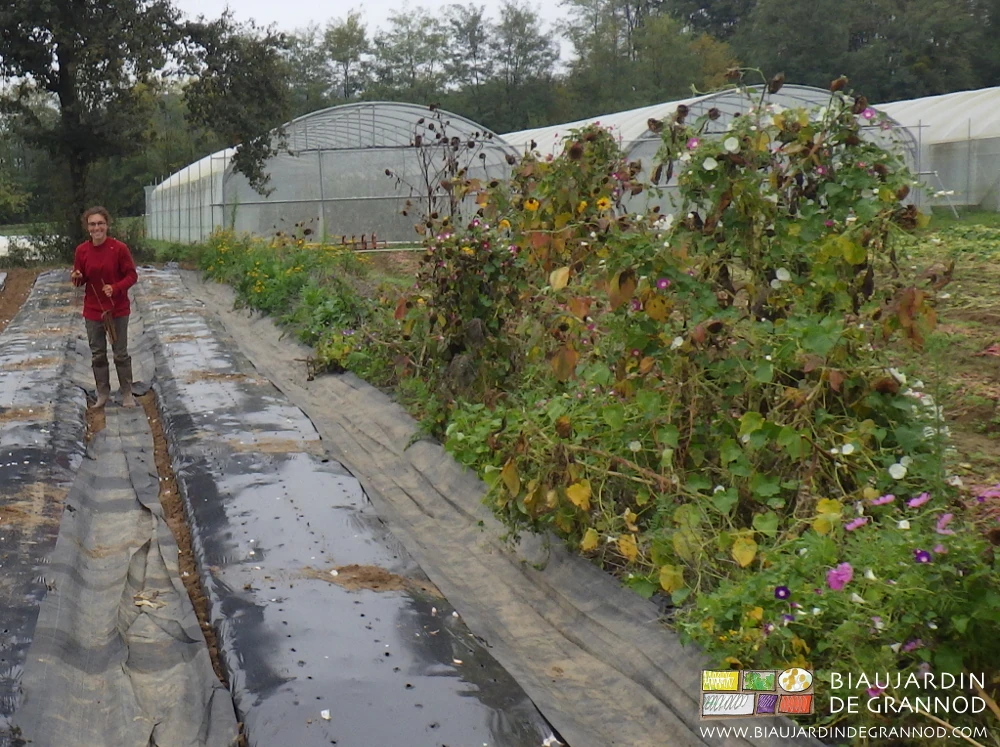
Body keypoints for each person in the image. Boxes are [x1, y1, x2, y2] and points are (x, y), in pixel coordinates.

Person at [70, 206, 138, 408]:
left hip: (117, 309)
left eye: (100, 223)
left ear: (107, 225)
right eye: (92, 224)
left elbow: (132, 275)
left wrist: (115, 288)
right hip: (93, 311)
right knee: (98, 353)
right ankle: (102, 393)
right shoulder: (82, 251)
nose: (96, 227)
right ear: (87, 227)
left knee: (120, 352)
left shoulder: (119, 249)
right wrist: (76, 277)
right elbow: (79, 279)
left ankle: (127, 393)